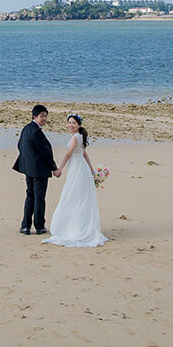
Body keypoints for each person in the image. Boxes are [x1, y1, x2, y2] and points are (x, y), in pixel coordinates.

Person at [42, 113, 108, 248]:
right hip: (81, 167)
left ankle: (73, 228)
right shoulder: (81, 136)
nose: (70, 125)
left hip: (77, 169)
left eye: (73, 123)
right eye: (69, 122)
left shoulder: (76, 138)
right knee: (80, 196)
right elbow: (84, 153)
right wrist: (91, 169)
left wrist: (59, 169)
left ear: (79, 125)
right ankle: (79, 225)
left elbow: (68, 154)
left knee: (72, 195)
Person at [12, 104, 61, 235]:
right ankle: (39, 226)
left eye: (45, 116)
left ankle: (25, 226)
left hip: (28, 169)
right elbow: (45, 151)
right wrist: (54, 168)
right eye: (41, 116)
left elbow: (20, 145)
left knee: (30, 196)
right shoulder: (36, 132)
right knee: (39, 198)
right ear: (34, 116)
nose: (44, 119)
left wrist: (28, 160)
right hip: (39, 170)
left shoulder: (26, 129)